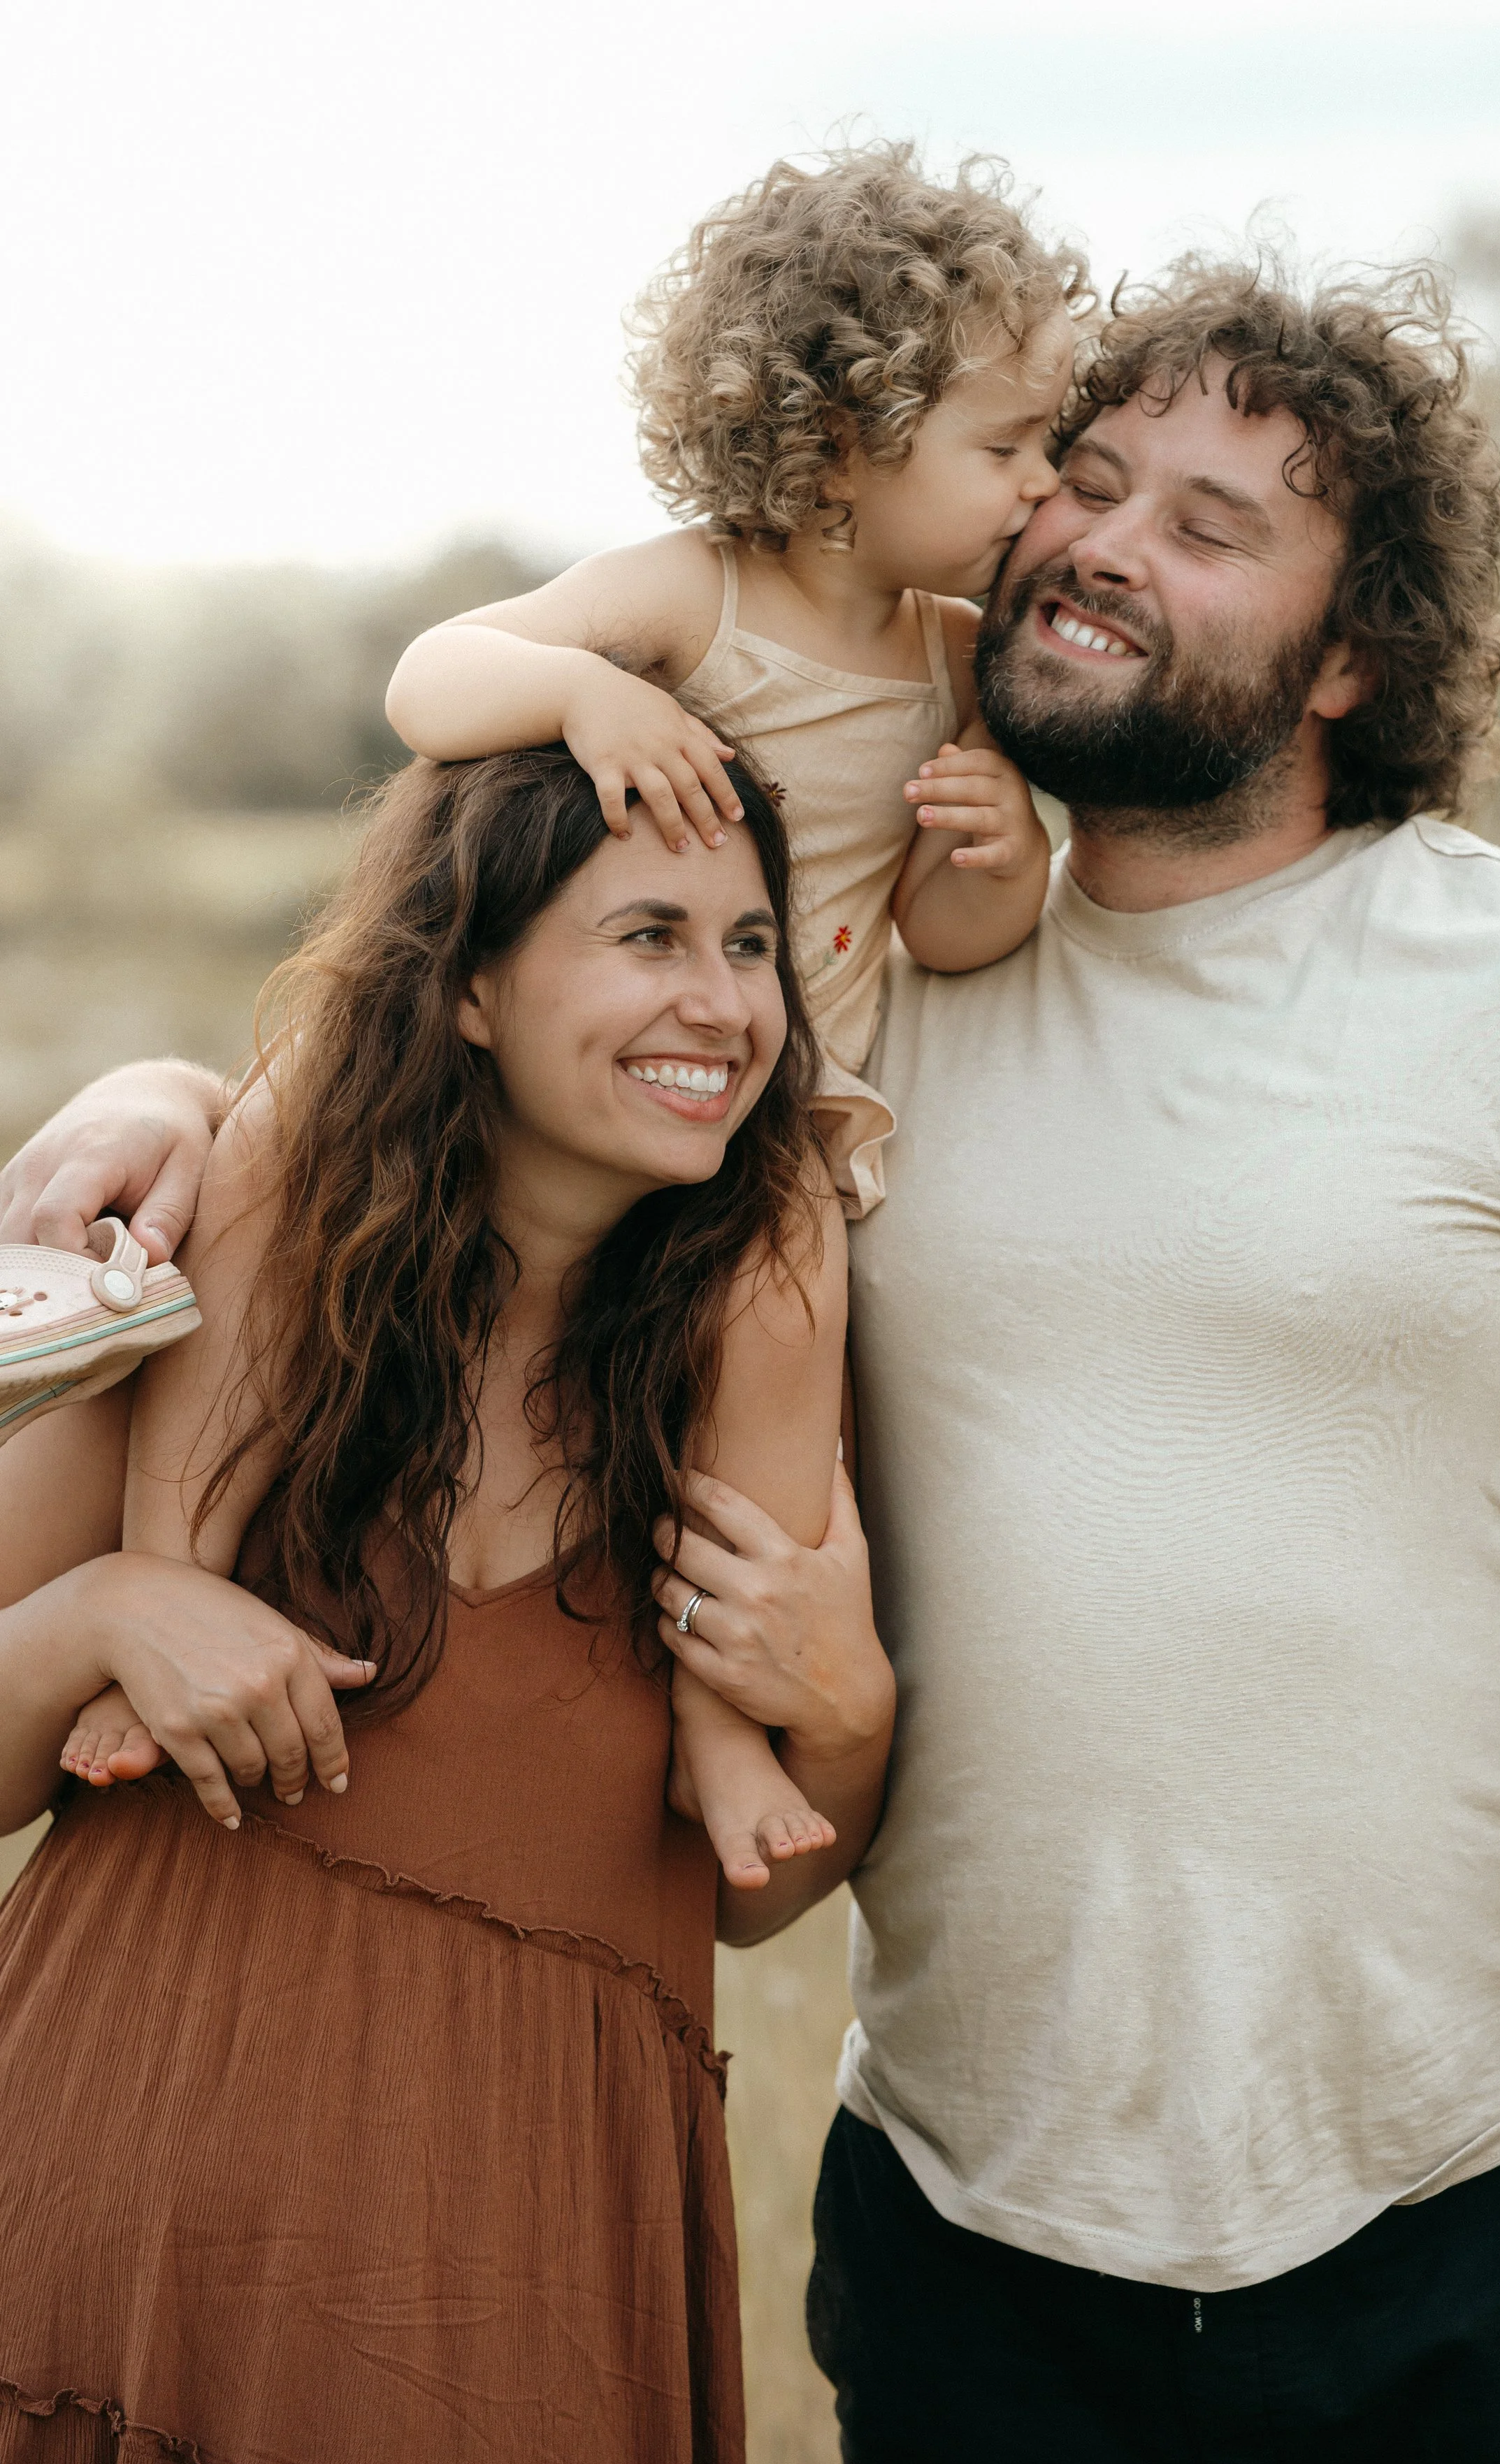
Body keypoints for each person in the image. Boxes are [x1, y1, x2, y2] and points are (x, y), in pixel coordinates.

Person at [18, 249, 1500, 2464]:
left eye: (1215, 524)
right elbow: (472, 1086)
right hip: (977, 2255)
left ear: (1358, 659)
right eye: (1090, 475)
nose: (1106, 539)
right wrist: (164, 1102)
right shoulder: (840, 1016)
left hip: (1495, 2238)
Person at [0, 743, 893, 2464]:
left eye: (747, 945)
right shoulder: (226, 1261)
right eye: (645, 933)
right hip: (110, 2222)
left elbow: (763, 1897)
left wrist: (856, 1712)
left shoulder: (746, 1336)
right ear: (469, 983)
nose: (719, 1003)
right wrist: (100, 1614)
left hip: (518, 2291)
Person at [381, 142, 1087, 1884]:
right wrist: (577, 697)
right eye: (1003, 446)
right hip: (590, 1079)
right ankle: (182, 1563)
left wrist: (999, 853)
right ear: (843, 443)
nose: (1040, 488)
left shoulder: (947, 660)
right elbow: (427, 682)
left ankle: (715, 1701)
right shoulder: (690, 594)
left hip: (771, 1099)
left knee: (780, 1318)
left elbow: (954, 936)